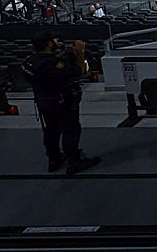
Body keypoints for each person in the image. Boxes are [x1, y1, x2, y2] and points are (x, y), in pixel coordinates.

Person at [23, 33, 100, 175]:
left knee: (51, 130)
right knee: (70, 130)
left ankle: (54, 159)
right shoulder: (55, 64)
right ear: (49, 44)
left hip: (43, 102)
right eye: (54, 39)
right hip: (62, 102)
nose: (57, 41)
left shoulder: (29, 62)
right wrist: (80, 52)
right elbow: (79, 72)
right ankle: (74, 162)